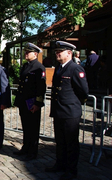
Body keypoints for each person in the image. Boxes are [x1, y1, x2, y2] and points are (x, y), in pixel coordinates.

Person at [45, 41, 88, 180]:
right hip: (59, 110)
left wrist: (74, 103)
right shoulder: (59, 68)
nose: (57, 53)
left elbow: (84, 92)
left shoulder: (75, 69)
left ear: (69, 53)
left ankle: (71, 170)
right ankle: (60, 164)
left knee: (71, 143)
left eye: (60, 51)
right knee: (60, 141)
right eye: (57, 51)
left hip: (70, 111)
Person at [14, 43, 46, 161]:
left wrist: (38, 103)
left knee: (33, 128)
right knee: (26, 126)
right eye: (25, 52)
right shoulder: (25, 66)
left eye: (28, 52)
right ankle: (25, 147)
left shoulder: (39, 67)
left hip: (32, 102)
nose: (26, 54)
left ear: (35, 54)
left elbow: (41, 88)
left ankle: (33, 151)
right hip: (24, 101)